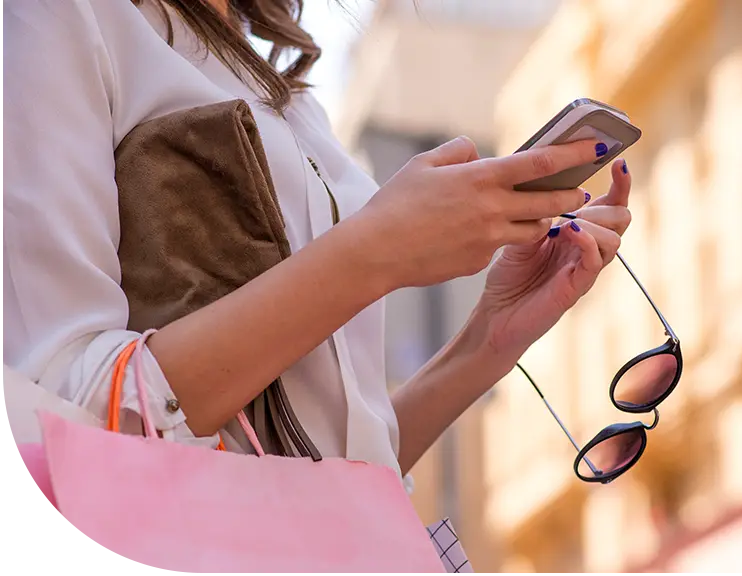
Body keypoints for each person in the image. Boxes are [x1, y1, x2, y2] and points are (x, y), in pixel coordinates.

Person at [1, 0, 632, 489]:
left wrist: (490, 337)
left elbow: (337, 466)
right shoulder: (58, 20)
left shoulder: (296, 107)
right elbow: (62, 404)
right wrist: (375, 252)